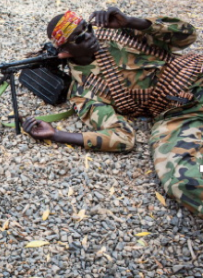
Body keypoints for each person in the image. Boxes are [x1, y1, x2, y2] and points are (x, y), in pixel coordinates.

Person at [23, 8, 203, 215]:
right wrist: (56, 134)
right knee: (183, 180)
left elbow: (188, 35)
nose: (90, 36)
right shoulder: (84, 91)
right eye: (79, 38)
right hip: (181, 114)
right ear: (65, 52)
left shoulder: (119, 32)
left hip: (196, 71)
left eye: (88, 28)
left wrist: (132, 22)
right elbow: (123, 137)